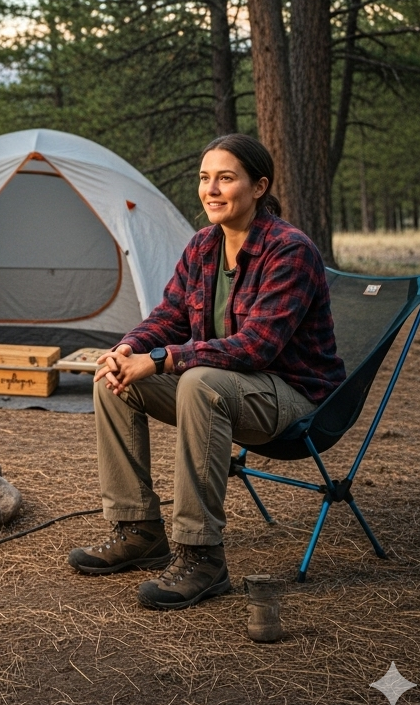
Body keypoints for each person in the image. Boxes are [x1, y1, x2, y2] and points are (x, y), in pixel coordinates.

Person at [68, 134, 345, 610]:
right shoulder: (203, 246)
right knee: (114, 382)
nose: (211, 190)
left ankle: (202, 556)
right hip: (226, 389)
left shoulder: (290, 251)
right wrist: (128, 348)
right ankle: (139, 530)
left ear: (259, 187)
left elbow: (256, 347)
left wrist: (160, 360)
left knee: (197, 380)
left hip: (293, 396)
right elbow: (170, 316)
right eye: (204, 178)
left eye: (225, 178)